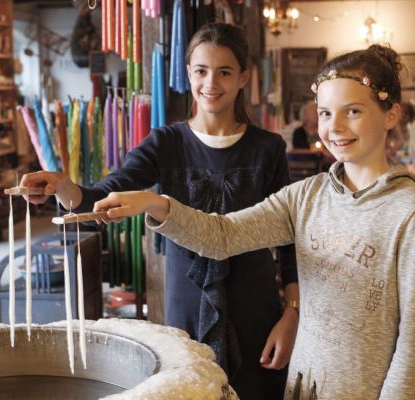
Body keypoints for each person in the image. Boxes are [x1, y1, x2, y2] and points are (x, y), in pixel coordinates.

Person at [93, 44, 415, 399]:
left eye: (352, 111)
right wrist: (157, 204)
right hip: (301, 384)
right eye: (325, 113)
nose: (335, 127)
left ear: (390, 115)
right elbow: (223, 235)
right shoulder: (307, 195)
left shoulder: (413, 215)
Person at [21, 22, 299, 399]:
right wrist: (61, 185)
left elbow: (289, 242)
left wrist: (291, 314)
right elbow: (99, 197)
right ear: (188, 74)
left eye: (224, 72)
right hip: (185, 301)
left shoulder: (267, 148)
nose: (210, 83)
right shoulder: (165, 143)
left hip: (255, 305)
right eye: (201, 71)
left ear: (244, 77)